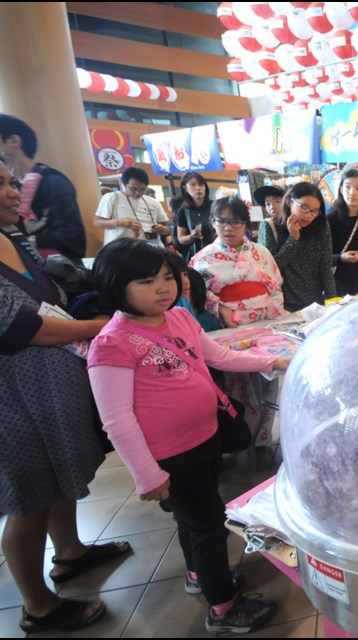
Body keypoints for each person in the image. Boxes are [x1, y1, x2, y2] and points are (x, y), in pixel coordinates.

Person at [87, 238, 286, 633]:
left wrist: (274, 360)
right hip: (169, 456)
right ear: (115, 285)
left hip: (206, 438)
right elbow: (117, 420)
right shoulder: (111, 343)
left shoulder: (179, 318)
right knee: (210, 525)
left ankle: (199, 575)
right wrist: (147, 475)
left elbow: (220, 357)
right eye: (146, 281)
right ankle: (224, 610)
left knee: (192, 520)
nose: (162, 288)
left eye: (166, 277)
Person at [0, 159, 131, 634]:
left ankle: (70, 552)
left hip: (49, 387)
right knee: (28, 494)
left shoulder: (14, 240)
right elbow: (20, 326)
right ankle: (38, 605)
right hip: (12, 398)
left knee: (56, 472)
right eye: (1, 184)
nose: (15, 191)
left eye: (12, 181)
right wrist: (99, 326)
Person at [0, 114, 87, 261]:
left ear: (14, 141)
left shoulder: (52, 182)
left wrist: (28, 242)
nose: (12, 192)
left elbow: (74, 237)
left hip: (58, 275)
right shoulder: (18, 187)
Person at [190, 197, 285, 327]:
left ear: (245, 224)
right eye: (222, 222)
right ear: (213, 222)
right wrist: (219, 308)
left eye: (236, 222)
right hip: (224, 323)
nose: (228, 228)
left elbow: (276, 286)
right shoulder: (201, 258)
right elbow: (195, 293)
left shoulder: (262, 251)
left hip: (266, 320)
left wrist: (273, 310)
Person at [259, 182, 336, 311]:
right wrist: (293, 239)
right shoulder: (270, 226)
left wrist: (332, 303)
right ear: (289, 201)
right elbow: (270, 269)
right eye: (304, 207)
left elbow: (325, 267)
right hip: (282, 305)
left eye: (315, 211)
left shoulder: (321, 227)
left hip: (315, 303)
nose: (309, 215)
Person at [93, 167, 169, 248]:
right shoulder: (112, 197)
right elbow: (97, 222)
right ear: (124, 184)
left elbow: (166, 228)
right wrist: (119, 222)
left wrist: (162, 229)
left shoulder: (154, 202)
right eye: (133, 189)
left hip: (153, 248)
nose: (137, 193)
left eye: (142, 189)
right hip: (122, 249)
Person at [174, 172, 214, 260]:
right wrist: (191, 236)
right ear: (185, 188)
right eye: (193, 185)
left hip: (217, 252)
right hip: (197, 255)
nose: (198, 188)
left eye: (201, 184)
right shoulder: (183, 211)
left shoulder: (215, 206)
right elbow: (181, 238)